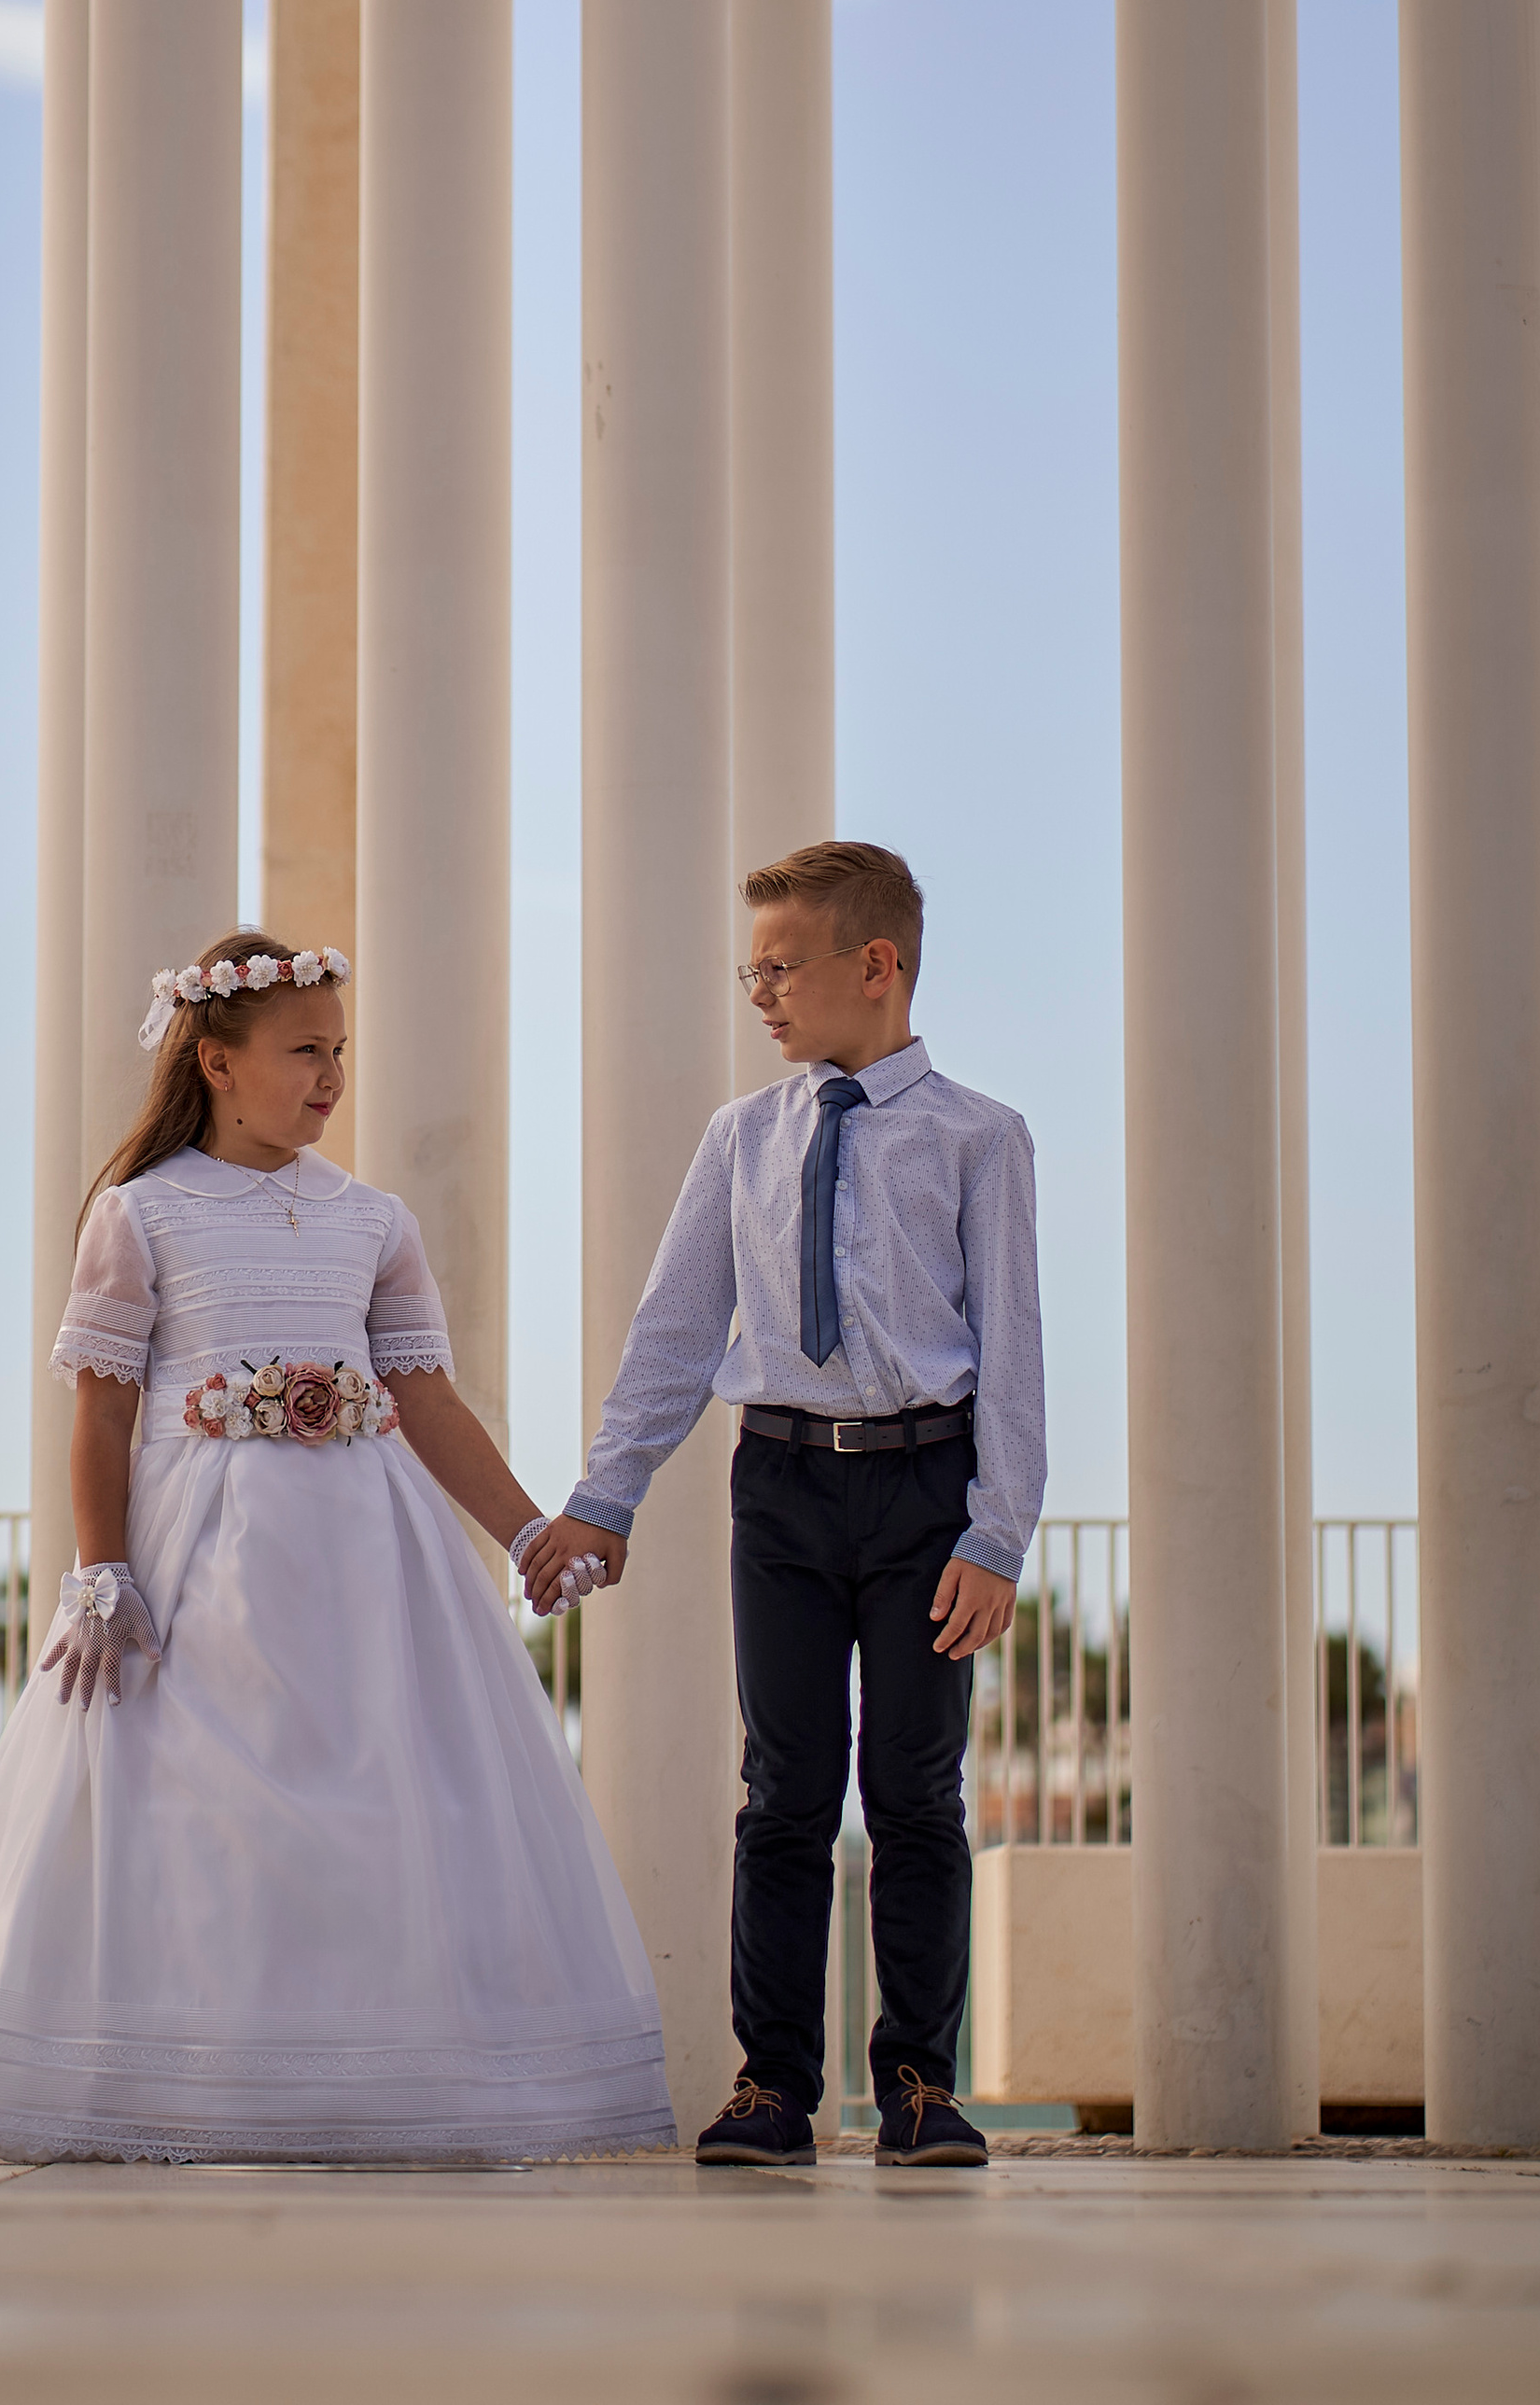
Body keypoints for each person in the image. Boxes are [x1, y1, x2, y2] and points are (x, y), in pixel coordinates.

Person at [0, 929, 673, 2165]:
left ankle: (372, 2084)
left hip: (370, 1556)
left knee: (383, 1799)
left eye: (339, 1052)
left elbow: (426, 1398)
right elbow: (101, 1414)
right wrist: (103, 1572)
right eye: (305, 1051)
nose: (330, 1077)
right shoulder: (140, 1214)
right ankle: (192, 2087)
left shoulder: (372, 1220)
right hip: (203, 1556)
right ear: (216, 1060)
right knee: (201, 1813)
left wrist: (525, 1530)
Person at [527, 841, 1043, 2171]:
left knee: (919, 1791)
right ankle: (773, 2087)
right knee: (784, 1791)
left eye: (778, 967)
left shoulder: (980, 1137)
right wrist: (606, 1497)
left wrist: (998, 1533)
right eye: (746, 971)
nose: (758, 994)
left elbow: (1016, 1346)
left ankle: (922, 2083)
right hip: (785, 1484)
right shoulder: (742, 1138)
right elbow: (680, 1325)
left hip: (930, 1489)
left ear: (874, 966)